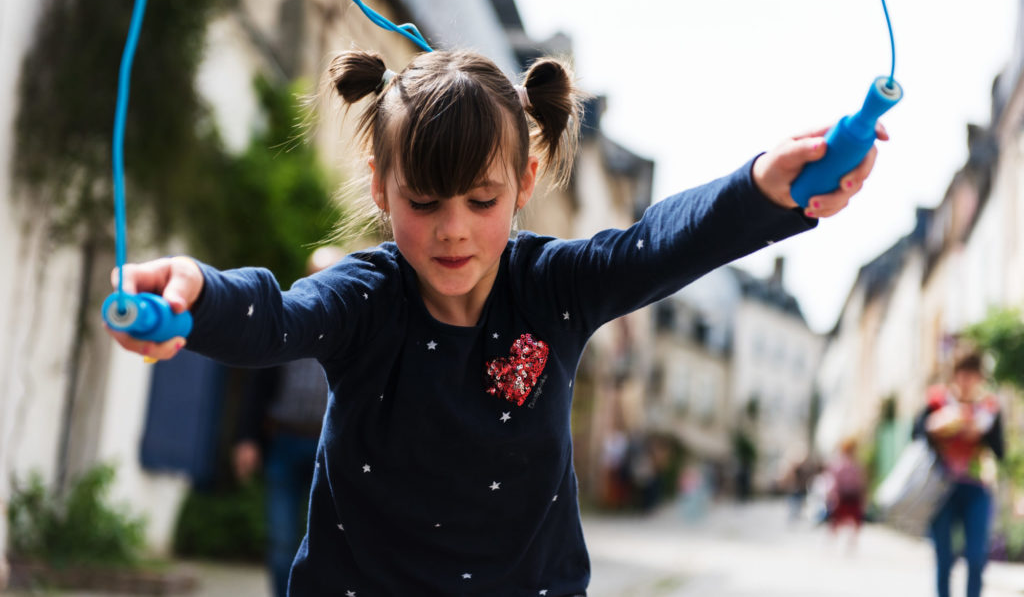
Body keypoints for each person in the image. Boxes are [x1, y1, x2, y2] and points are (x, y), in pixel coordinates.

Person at [106, 48, 885, 595]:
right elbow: (277, 319)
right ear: (381, 187)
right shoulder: (366, 296)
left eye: (481, 201)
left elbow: (654, 245)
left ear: (526, 181)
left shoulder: (554, 290)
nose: (453, 230)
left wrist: (758, 189)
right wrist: (196, 296)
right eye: (424, 202)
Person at [232, 247, 342, 597]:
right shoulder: (287, 320)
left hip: (330, 451)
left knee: (327, 543)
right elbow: (257, 386)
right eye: (315, 275)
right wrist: (246, 439)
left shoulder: (353, 328)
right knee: (281, 541)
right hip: (284, 442)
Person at [915, 350, 1004, 597]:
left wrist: (981, 433)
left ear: (980, 379)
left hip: (976, 487)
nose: (967, 381)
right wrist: (938, 427)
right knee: (944, 557)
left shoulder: (988, 408)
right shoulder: (938, 402)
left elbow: (1000, 450)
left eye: (973, 375)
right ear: (955, 376)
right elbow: (916, 435)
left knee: (976, 557)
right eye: (963, 375)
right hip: (941, 487)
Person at [825, 437, 866, 550]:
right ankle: (834, 542)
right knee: (838, 520)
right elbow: (835, 481)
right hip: (843, 495)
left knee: (853, 520)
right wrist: (834, 494)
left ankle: (850, 542)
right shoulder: (841, 464)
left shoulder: (855, 464)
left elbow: (860, 481)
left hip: (851, 495)